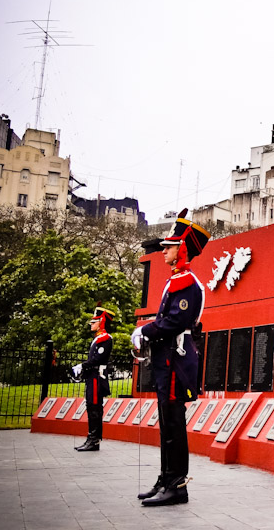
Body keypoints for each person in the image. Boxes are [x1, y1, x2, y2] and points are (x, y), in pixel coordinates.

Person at [131, 209, 210, 507]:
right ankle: (166, 478)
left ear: (182, 250)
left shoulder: (187, 283)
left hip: (177, 362)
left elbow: (175, 322)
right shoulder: (176, 280)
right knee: (167, 424)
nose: (164, 250)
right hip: (168, 361)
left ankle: (177, 485)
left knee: (174, 425)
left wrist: (145, 330)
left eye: (169, 246)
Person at [73, 305, 115, 452]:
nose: (91, 324)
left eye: (94, 321)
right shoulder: (98, 339)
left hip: (97, 377)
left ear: (101, 321)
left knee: (95, 408)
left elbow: (98, 359)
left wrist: (82, 366)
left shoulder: (105, 339)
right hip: (92, 377)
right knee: (91, 407)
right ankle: (91, 438)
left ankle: (94, 440)